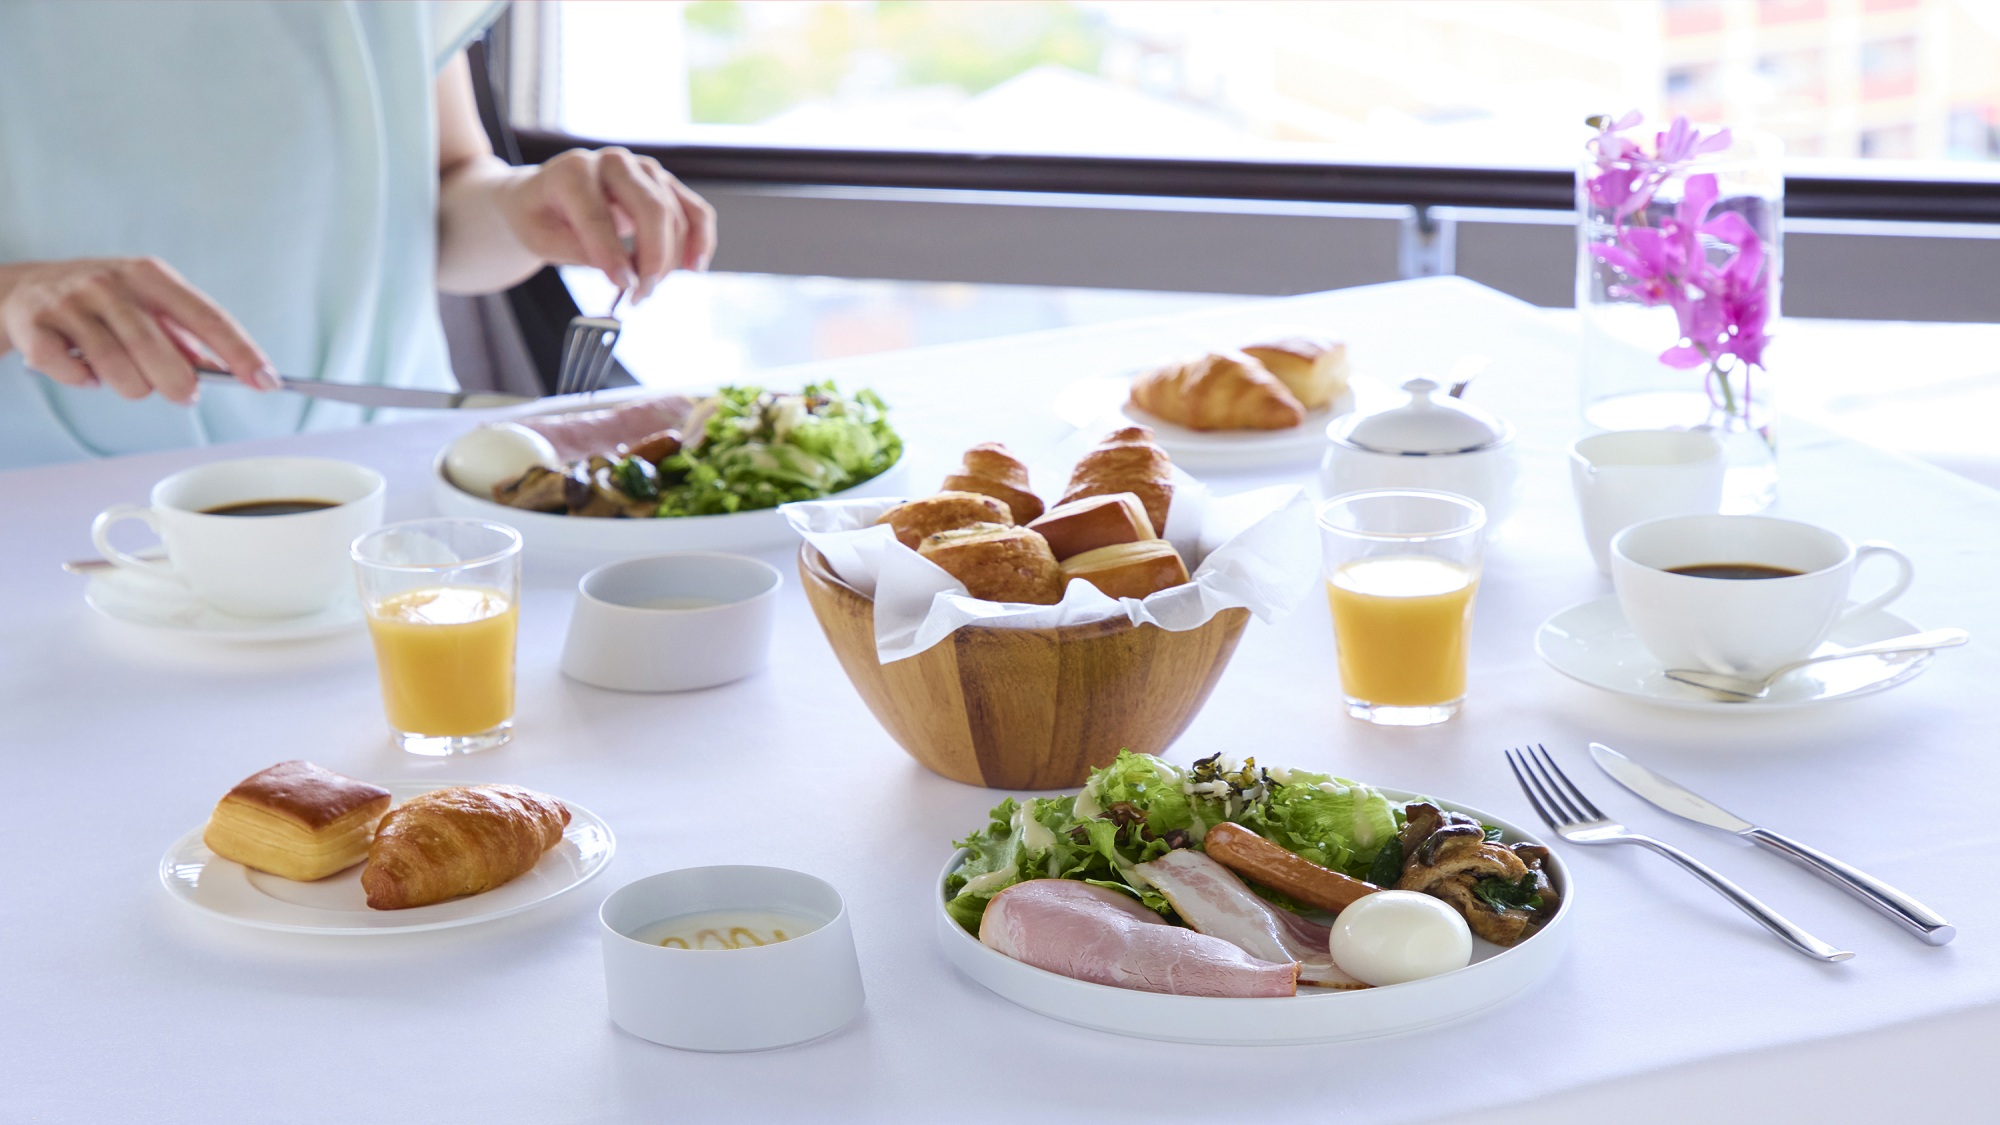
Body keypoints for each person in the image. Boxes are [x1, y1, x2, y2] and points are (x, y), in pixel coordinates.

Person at [0, 0, 715, 468]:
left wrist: (519, 208)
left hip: (389, 474)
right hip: (55, 506)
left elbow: (439, 198)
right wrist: (17, 291)